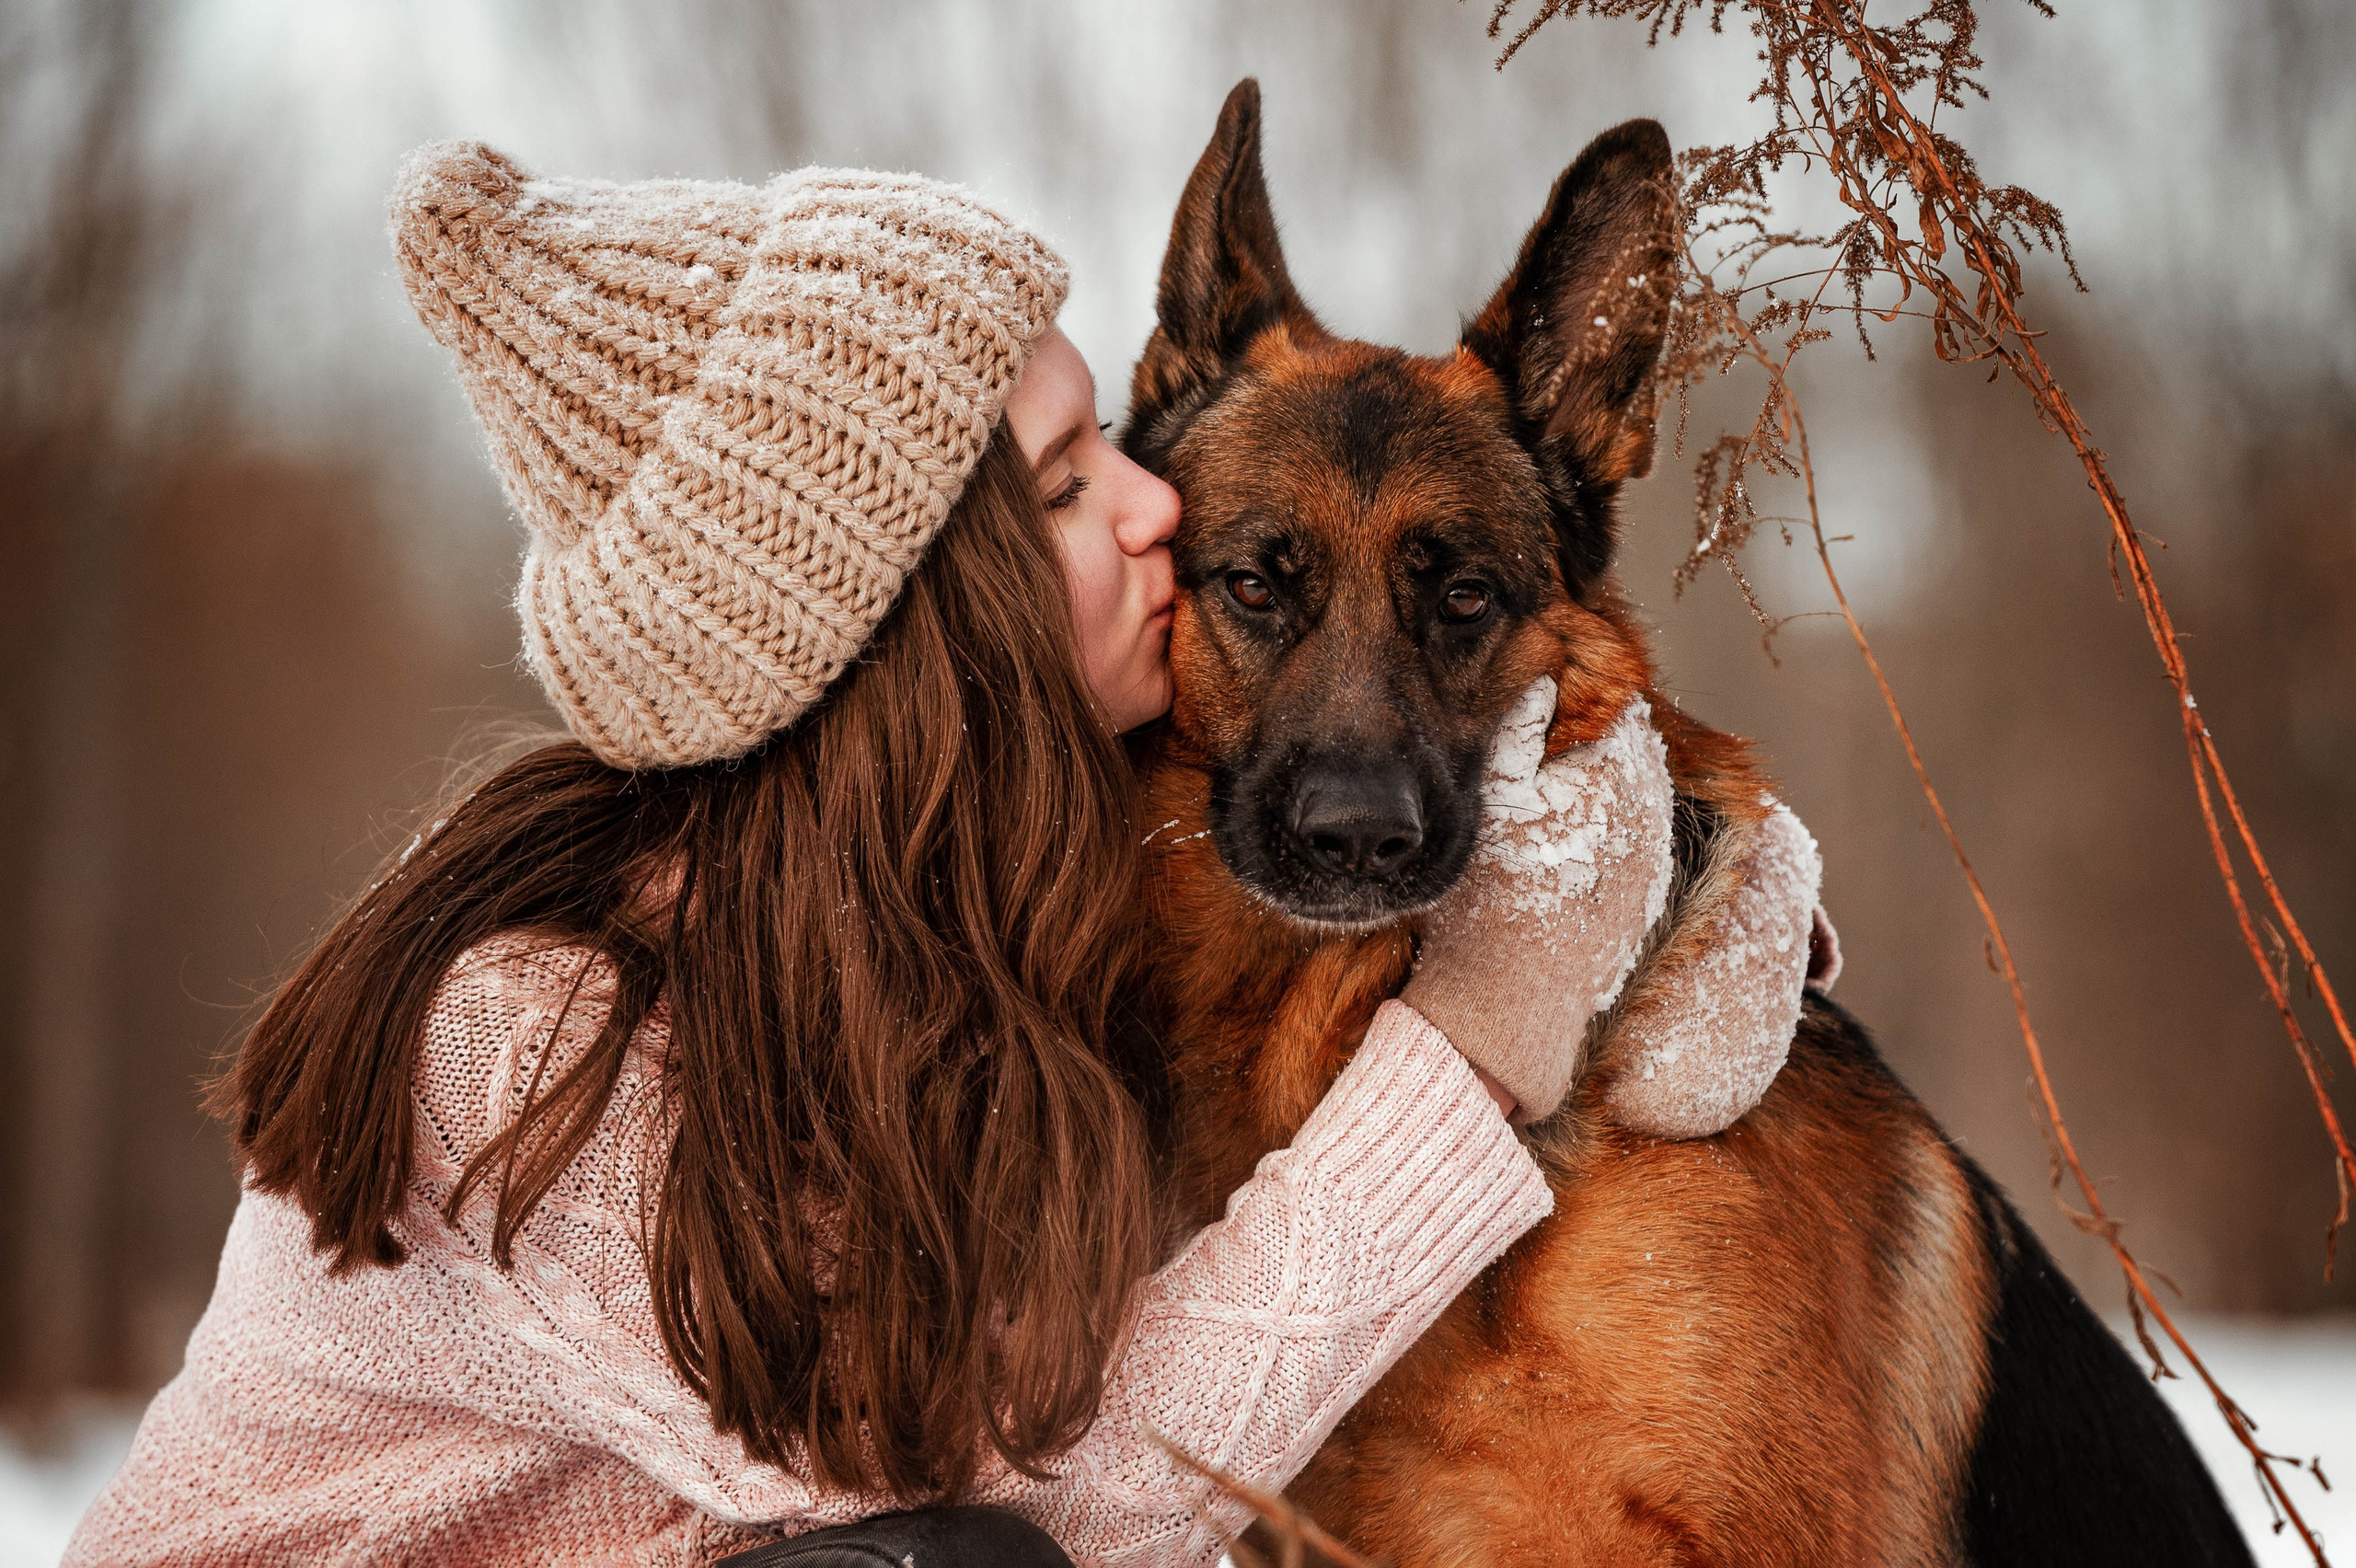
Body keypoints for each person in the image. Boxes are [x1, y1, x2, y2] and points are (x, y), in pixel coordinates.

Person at [68, 143, 1823, 1567]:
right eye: (1068, 482)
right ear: (912, 624)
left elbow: (1613, 806)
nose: (1156, 501)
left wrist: (1720, 879)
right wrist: (1478, 1046)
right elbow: (1066, 1497)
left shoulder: (985, 907)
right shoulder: (543, 1039)